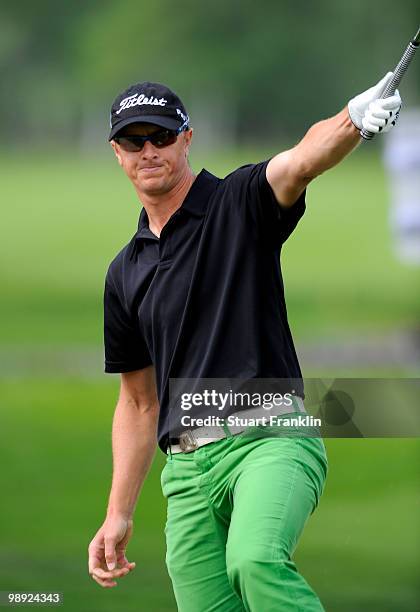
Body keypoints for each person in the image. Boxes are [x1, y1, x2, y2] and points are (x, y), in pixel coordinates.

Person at [88, 77, 401, 611]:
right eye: (134, 141)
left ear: (187, 138)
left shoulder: (237, 202)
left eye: (161, 137)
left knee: (256, 561)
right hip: (185, 471)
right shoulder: (125, 271)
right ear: (117, 152)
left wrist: (351, 117)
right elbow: (139, 401)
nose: (149, 151)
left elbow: (300, 162)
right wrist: (118, 512)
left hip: (270, 441)